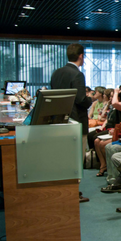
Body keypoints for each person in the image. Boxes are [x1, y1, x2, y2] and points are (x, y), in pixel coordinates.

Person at [50, 43, 93, 202]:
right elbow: (81, 99)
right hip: (76, 122)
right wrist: (91, 99)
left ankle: (63, 188)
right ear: (81, 56)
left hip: (59, 120)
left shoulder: (56, 73)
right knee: (76, 158)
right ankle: (73, 191)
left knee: (63, 157)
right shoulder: (77, 74)